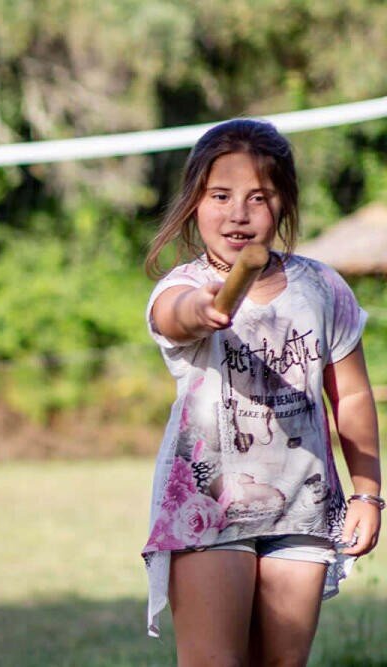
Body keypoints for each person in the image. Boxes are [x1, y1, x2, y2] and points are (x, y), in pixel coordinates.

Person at [140, 118, 380, 664]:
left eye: (259, 197)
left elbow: (353, 398)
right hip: (207, 512)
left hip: (302, 508)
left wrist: (367, 491)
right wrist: (203, 310)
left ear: (284, 205)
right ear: (194, 203)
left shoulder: (323, 288)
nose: (238, 213)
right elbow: (173, 316)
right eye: (220, 195)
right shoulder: (184, 285)